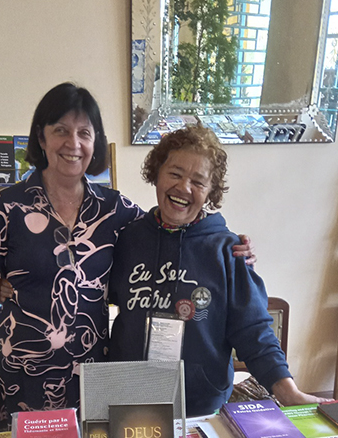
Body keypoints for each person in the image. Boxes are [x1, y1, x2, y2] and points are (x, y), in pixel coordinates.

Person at [0, 83, 253, 429]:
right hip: (25, 365)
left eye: (84, 133)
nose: (73, 144)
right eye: (60, 131)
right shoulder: (9, 205)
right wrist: (6, 291)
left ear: (95, 143)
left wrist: (230, 246)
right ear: (41, 138)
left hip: (92, 366)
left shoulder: (115, 209)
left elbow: (172, 228)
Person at [108, 125, 325, 417]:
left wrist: (287, 390)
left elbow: (253, 329)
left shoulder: (229, 251)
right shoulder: (128, 239)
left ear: (211, 191)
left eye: (198, 181)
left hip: (201, 405)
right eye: (175, 173)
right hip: (130, 399)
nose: (184, 187)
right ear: (157, 173)